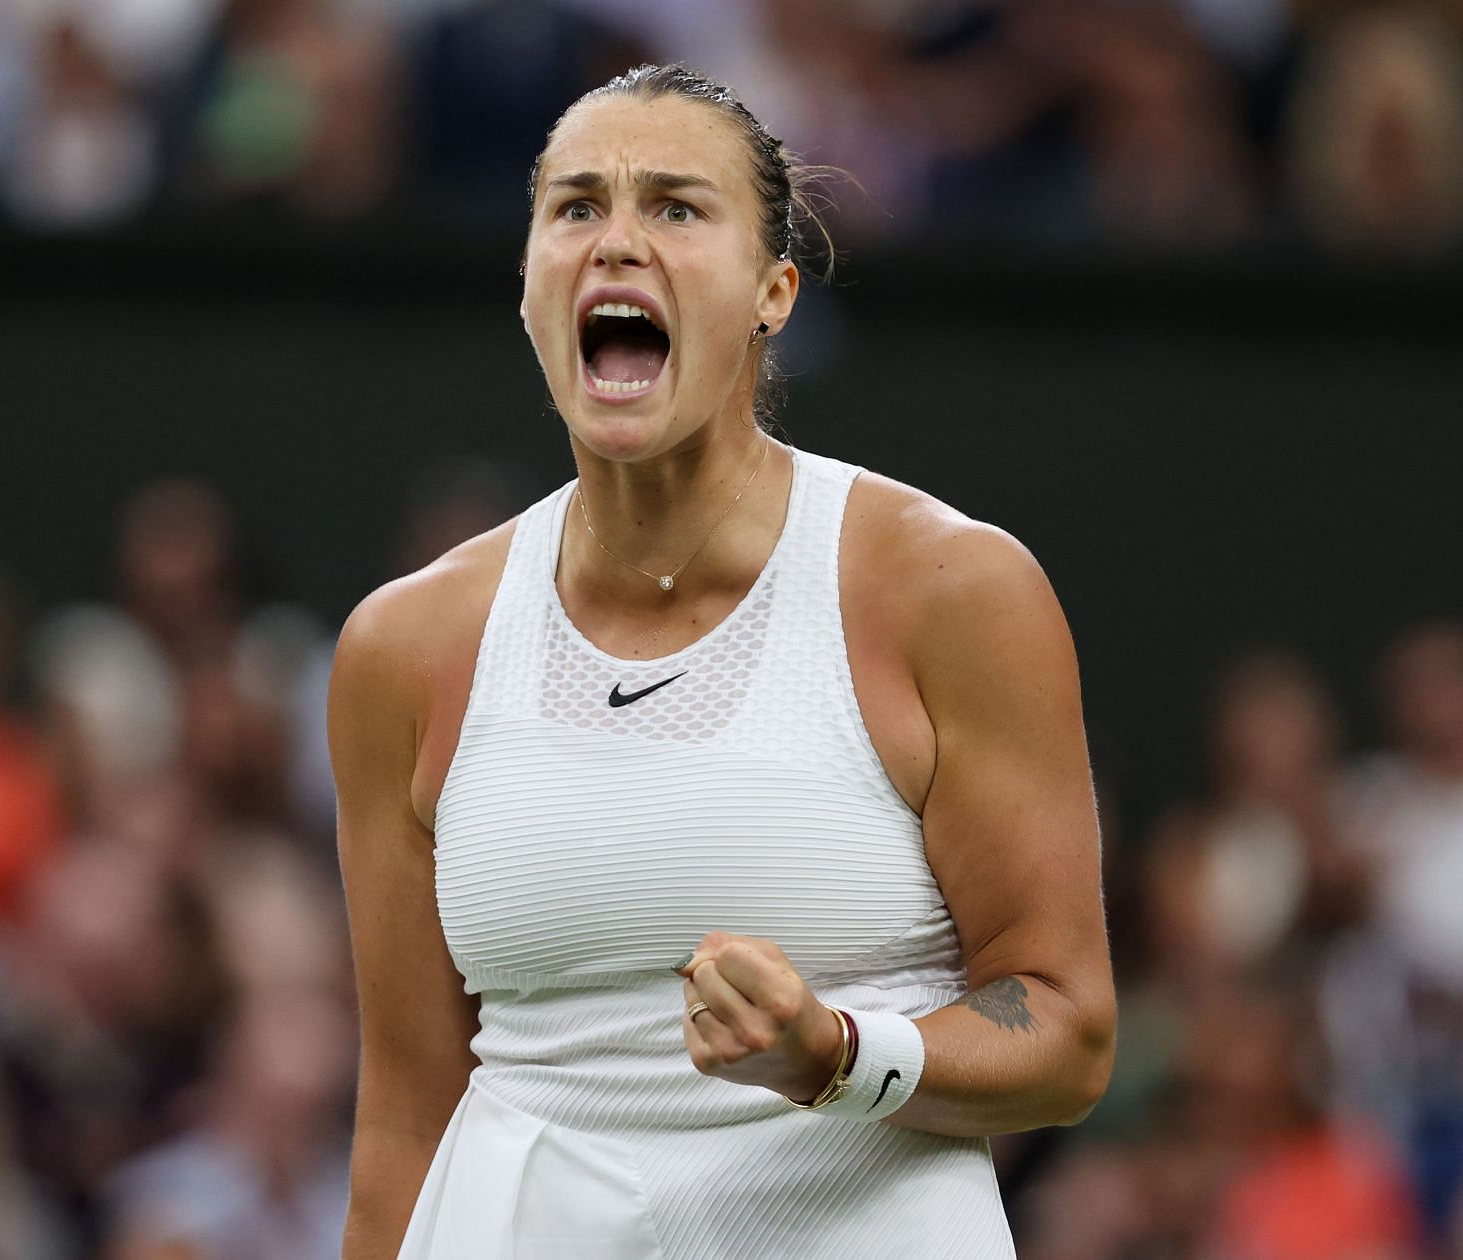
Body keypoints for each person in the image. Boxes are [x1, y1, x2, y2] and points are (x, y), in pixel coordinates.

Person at [329, 63, 1116, 1258]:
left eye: (678, 208)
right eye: (577, 208)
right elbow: (402, 1114)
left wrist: (840, 1057)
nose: (617, 244)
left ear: (773, 291)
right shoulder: (405, 645)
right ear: (532, 289)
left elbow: (1067, 1032)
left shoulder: (950, 590)